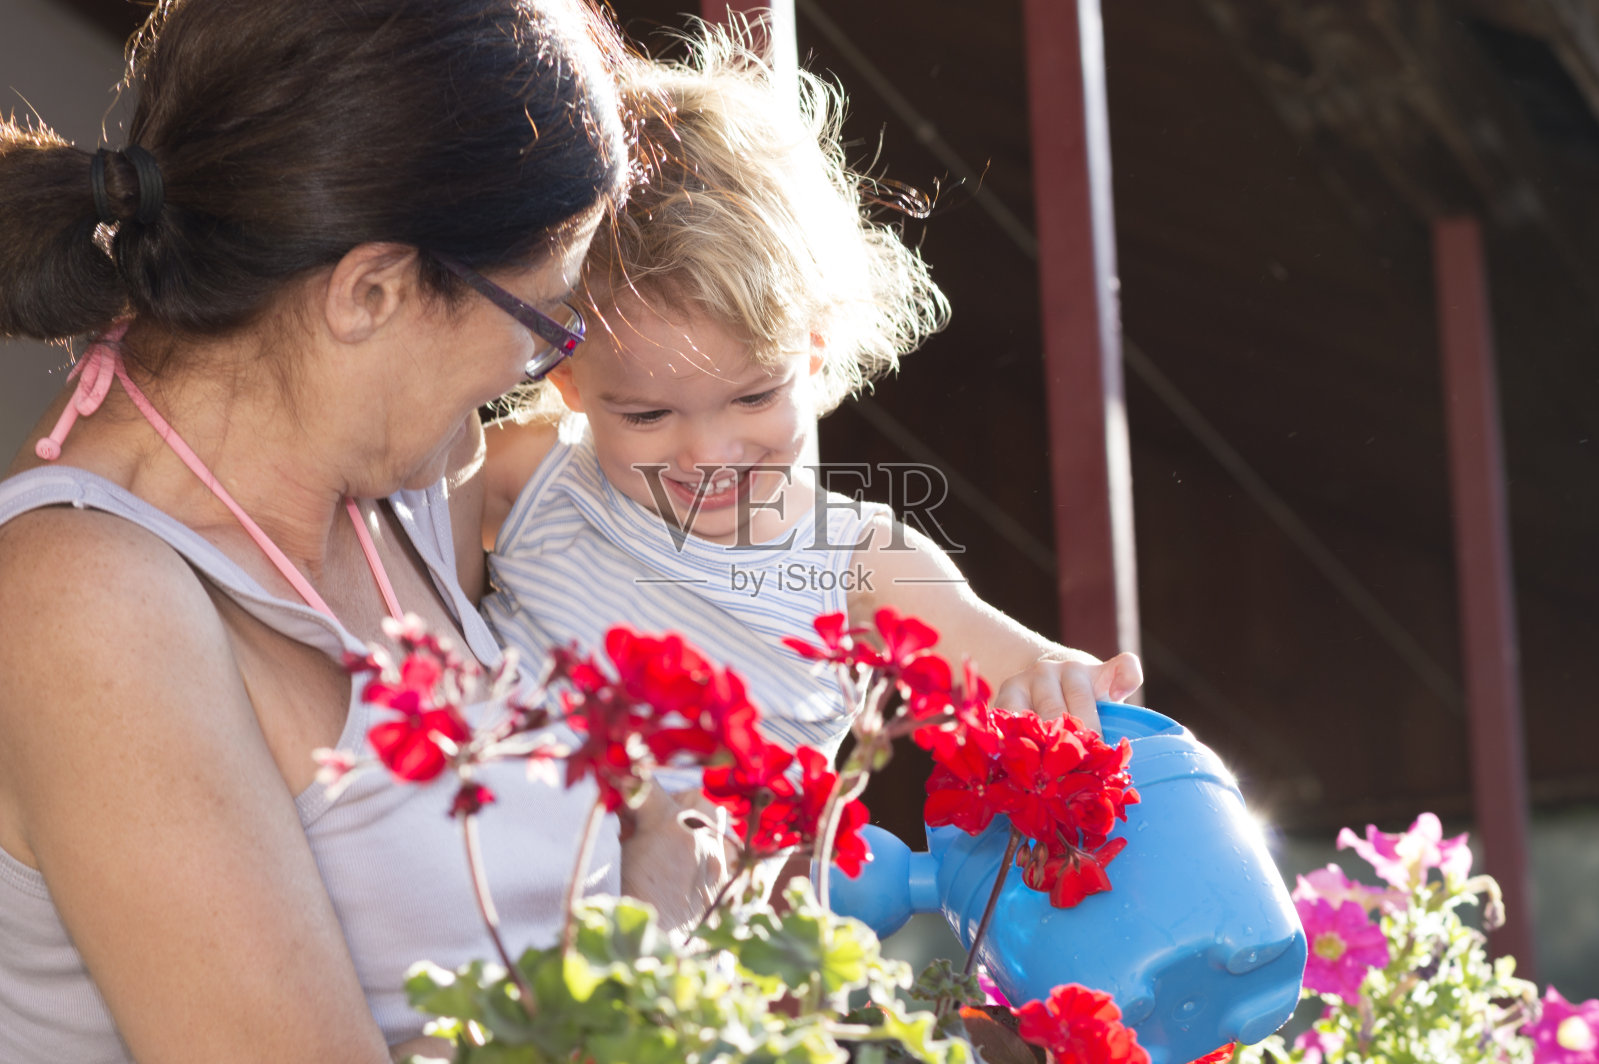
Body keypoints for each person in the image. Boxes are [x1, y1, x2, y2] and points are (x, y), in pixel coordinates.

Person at [0, 1, 683, 1060]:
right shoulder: (85, 601)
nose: (534, 376)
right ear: (370, 291)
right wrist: (670, 924)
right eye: (544, 324)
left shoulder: (407, 475)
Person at [478, 32, 1144, 811]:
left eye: (754, 397)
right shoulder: (528, 478)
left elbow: (1003, 660)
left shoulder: (860, 564)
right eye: (649, 414)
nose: (709, 452)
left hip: (701, 926)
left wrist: (1054, 676)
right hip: (486, 900)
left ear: (814, 353)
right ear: (567, 380)